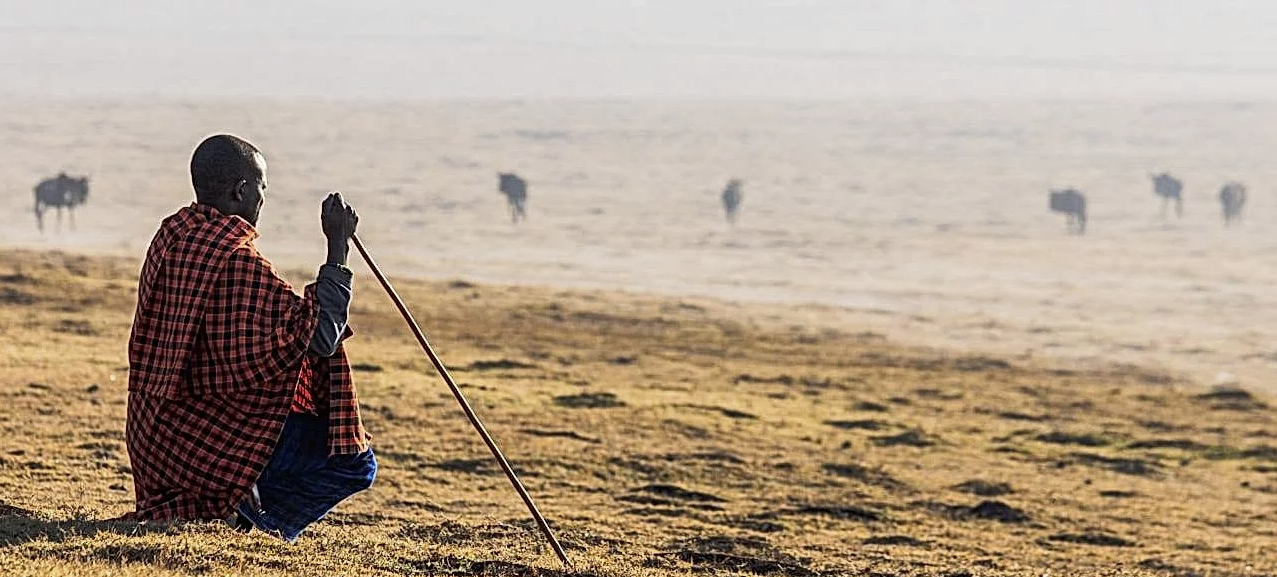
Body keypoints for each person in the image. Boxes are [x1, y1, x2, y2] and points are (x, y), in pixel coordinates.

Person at [122, 134, 376, 542]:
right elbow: (320, 337)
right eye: (262, 187)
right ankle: (254, 528)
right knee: (353, 462)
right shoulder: (236, 259)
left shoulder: (171, 236)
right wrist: (337, 249)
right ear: (242, 190)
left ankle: (244, 512)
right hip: (202, 445)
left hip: (153, 438)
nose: (262, 199)